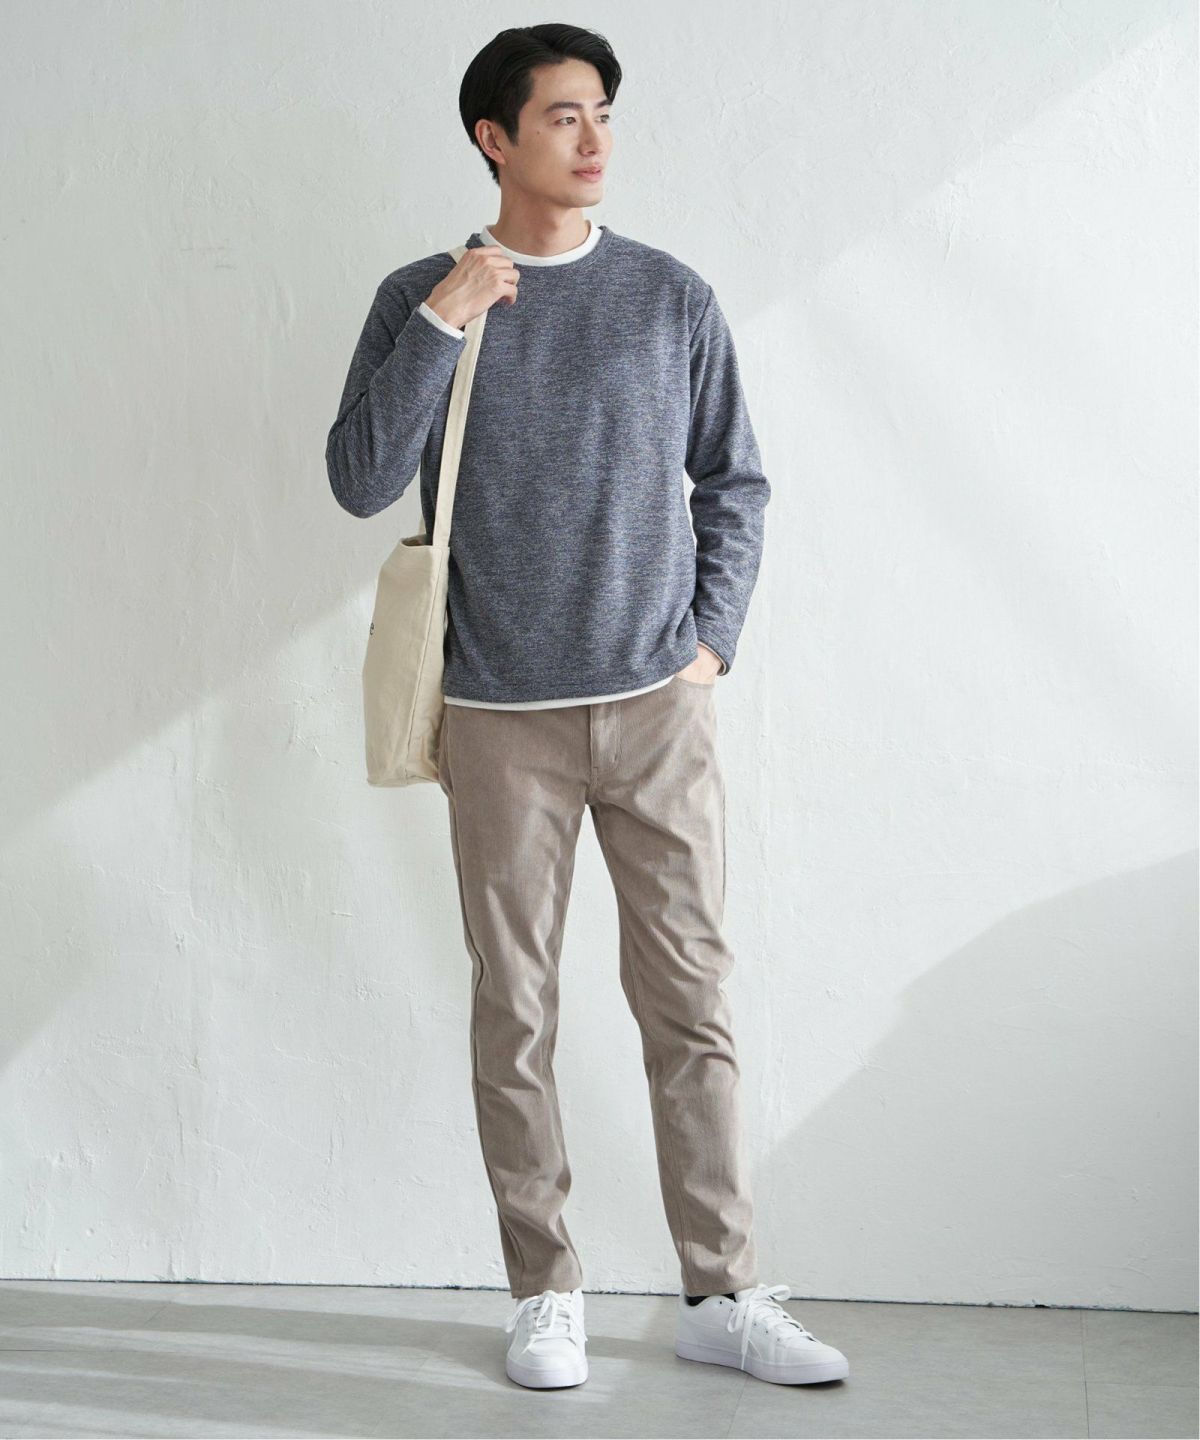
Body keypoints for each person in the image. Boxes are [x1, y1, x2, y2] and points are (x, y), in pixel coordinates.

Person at [326, 21, 849, 1393]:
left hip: (657, 708)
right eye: (564, 116)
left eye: (603, 111)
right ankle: (544, 1291)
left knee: (691, 1003)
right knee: (517, 1010)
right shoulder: (420, 295)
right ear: (494, 139)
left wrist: (710, 643)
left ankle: (721, 1292)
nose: (596, 138)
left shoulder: (668, 296)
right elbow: (360, 476)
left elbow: (734, 479)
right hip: (499, 716)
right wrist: (444, 320)